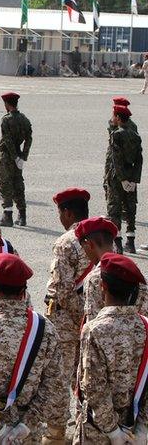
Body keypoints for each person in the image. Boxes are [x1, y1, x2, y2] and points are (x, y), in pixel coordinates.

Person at [0, 253, 67, 442]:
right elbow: (54, 385)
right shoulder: (45, 328)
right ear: (23, 293)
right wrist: (26, 425)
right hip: (25, 433)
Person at [75, 253, 148, 441]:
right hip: (134, 428)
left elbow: (94, 386)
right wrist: (143, 427)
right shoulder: (145, 327)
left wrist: (113, 431)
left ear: (103, 286)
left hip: (99, 431)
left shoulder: (94, 330)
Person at [43, 187, 89, 409]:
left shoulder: (66, 242)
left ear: (69, 213)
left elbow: (62, 291)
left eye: (60, 213)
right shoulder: (104, 237)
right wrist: (89, 317)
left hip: (67, 321)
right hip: (93, 317)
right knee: (88, 373)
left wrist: (80, 318)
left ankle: (56, 432)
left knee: (59, 375)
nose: (60, 218)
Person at [104, 104, 142, 253]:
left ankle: (118, 245)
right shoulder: (135, 135)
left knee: (114, 209)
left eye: (114, 116)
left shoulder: (117, 134)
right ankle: (130, 242)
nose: (112, 118)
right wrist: (133, 180)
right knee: (130, 208)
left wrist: (122, 179)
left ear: (119, 118)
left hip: (116, 178)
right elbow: (139, 159)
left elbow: (116, 160)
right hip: (131, 174)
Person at [0, 92, 32, 227]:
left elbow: (7, 140)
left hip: (7, 155)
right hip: (18, 153)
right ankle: (22, 215)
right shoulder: (24, 119)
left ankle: (8, 215)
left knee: (5, 183)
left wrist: (15, 157)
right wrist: (23, 156)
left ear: (6, 104)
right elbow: (29, 138)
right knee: (18, 183)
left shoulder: (6, 119)